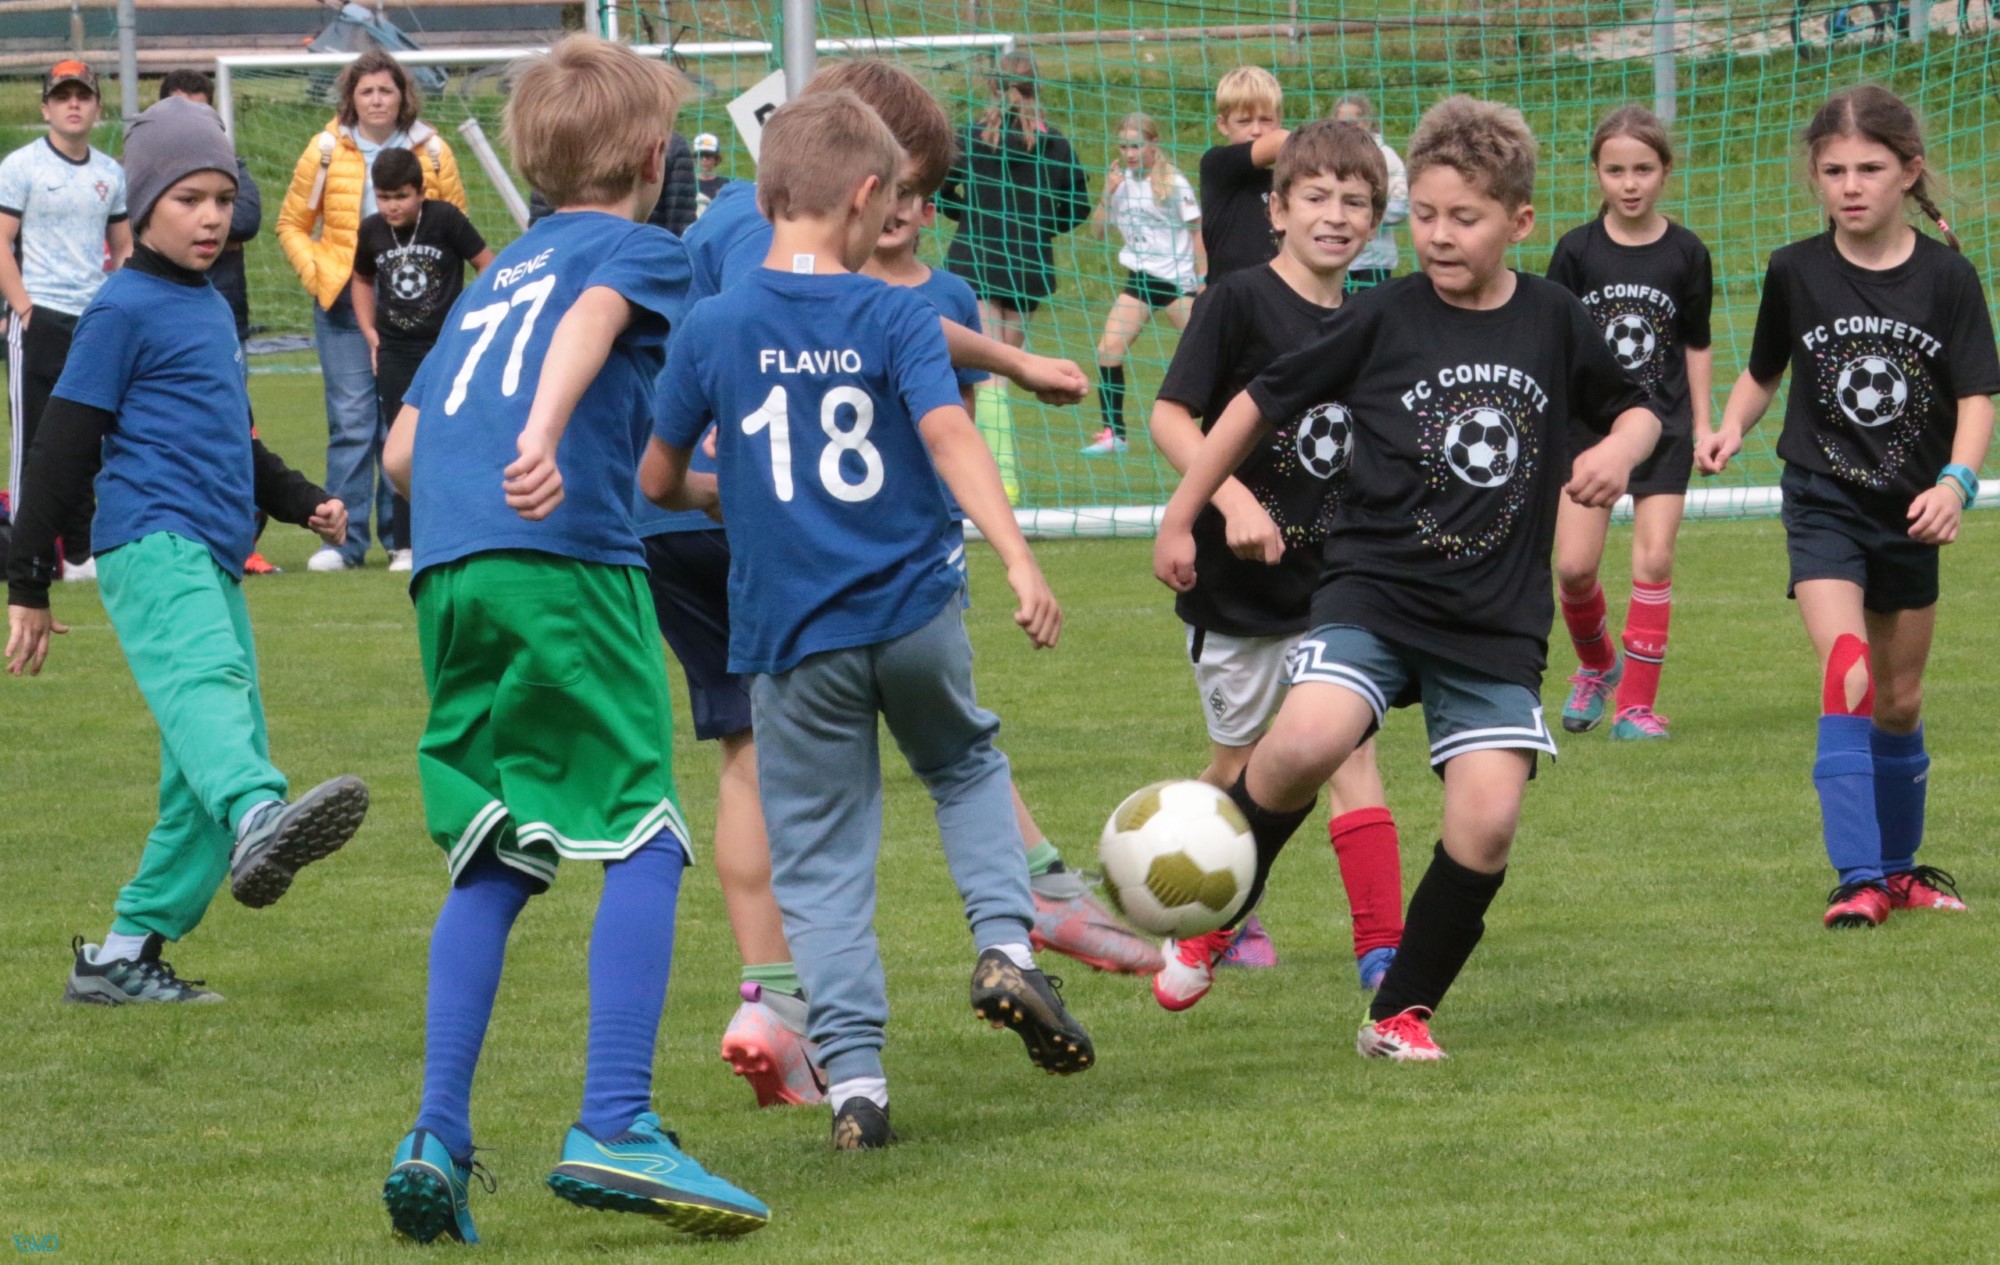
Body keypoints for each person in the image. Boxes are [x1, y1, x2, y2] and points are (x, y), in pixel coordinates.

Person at [650, 58, 1147, 1114]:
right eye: (904, 192)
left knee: (813, 838)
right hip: (905, 596)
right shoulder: (900, 313)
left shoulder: (720, 309)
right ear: (869, 192)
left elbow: (655, 473)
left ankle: (848, 1073)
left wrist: (712, 489)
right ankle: (1009, 935)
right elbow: (948, 430)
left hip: (785, 614)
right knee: (963, 766)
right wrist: (1017, 555)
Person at [1154, 96, 1662, 1061]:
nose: (1438, 235)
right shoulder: (1382, 313)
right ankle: (1217, 913)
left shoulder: (1553, 318)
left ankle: (1399, 1012)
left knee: (1489, 818)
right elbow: (1257, 403)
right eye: (1423, 215)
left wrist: (1620, 450)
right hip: (1375, 587)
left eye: (1463, 217)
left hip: (1494, 618)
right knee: (1309, 735)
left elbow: (1637, 407)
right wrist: (1187, 511)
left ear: (1519, 221)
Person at [376, 36, 767, 1243]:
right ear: (655, 158)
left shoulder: (493, 279)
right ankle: (614, 1119)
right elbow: (597, 319)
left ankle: (435, 1133)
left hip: (449, 572)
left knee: (496, 849)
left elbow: (401, 449)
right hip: (564, 566)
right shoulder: (639, 251)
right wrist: (545, 435)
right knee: (644, 832)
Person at [4, 97, 368, 1004]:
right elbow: (59, 444)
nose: (210, 218)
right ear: (144, 206)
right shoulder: (121, 307)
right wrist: (29, 579)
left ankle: (122, 956)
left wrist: (302, 501)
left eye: (222, 199)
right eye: (188, 200)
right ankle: (259, 812)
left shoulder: (206, 307)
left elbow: (232, 441)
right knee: (215, 700)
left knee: (203, 767)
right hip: (151, 541)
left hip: (207, 548)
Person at [1698, 85, 1996, 930]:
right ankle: (1857, 878)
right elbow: (1764, 370)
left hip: (1911, 511)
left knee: (1899, 699)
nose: (1851, 186)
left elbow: (1977, 398)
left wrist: (1955, 484)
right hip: (1822, 498)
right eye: (1834, 171)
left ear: (1909, 172)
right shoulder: (1796, 269)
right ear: (1815, 178)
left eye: (1869, 168)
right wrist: (1729, 426)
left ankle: (1899, 871)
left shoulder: (1948, 278)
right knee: (1848, 669)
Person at [1147, 120, 1406, 1009]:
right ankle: (1194, 892)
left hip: (1337, 588)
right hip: (1240, 595)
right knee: (1239, 771)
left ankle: (1384, 955)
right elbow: (1170, 417)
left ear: (1376, 220)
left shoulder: (1375, 319)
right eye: (1317, 197)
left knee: (1351, 759)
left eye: (1356, 202)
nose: (1336, 216)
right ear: (1278, 210)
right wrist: (1230, 502)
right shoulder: (1238, 301)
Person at [1550, 107, 1713, 741]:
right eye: (1615, 170)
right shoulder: (1576, 251)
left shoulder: (1686, 252)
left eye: (1643, 169)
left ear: (1665, 171)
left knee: (1654, 559)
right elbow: (1553, 344)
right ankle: (1597, 666)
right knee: (1573, 568)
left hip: (1665, 426)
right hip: (1590, 431)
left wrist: (1703, 425)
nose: (1630, 183)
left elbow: (1696, 344)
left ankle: (1635, 709)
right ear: (1597, 173)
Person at [277, 48, 466, 573]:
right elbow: (291, 223)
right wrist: (321, 273)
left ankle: (404, 540)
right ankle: (343, 541)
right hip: (345, 302)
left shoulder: (433, 151)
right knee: (352, 422)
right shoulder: (324, 149)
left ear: (403, 96)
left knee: (404, 421)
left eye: (386, 90)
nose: (377, 100)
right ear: (351, 98)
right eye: (367, 91)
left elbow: (456, 227)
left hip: (418, 309)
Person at [938, 51, 1092, 503]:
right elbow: (1078, 208)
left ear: (991, 87)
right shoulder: (1055, 144)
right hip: (1027, 265)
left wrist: (967, 215)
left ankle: (997, 477)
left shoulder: (969, 137)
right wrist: (1041, 225)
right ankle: (997, 475)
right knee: (1000, 368)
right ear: (1036, 89)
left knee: (990, 375)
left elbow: (940, 190)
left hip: (977, 261)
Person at [0, 59, 132, 583]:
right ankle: (24, 553)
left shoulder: (110, 174)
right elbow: (1, 241)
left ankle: (79, 553)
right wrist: (24, 308)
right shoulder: (21, 166)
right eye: (62, 96)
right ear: (45, 108)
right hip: (38, 318)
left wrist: (115, 304)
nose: (73, 104)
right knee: (34, 441)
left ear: (98, 107)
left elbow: (124, 247)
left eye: (83, 95)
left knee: (87, 438)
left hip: (93, 322)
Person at [351, 147, 493, 572]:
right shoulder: (371, 230)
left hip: (445, 347)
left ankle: (466, 529)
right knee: (400, 442)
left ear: (421, 192)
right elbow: (361, 279)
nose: (392, 206)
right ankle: (405, 544)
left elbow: (487, 264)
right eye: (384, 197)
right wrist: (370, 332)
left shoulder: (445, 219)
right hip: (396, 352)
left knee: (454, 434)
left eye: (401, 196)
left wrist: (471, 321)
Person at [158, 68, 277, 576]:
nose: (210, 217)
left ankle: (238, 540)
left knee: (233, 432)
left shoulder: (232, 165)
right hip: (165, 326)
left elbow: (247, 220)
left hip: (225, 319)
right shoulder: (144, 173)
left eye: (203, 111)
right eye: (188, 202)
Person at [1082, 112, 1203, 457]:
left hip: (1177, 282)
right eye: (1123, 146)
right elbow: (1097, 231)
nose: (1129, 153)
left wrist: (1203, 279)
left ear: (1153, 144)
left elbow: (1198, 232)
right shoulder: (1121, 184)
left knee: (1208, 353)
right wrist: (1108, 192)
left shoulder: (1173, 183)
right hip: (1140, 281)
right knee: (1108, 350)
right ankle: (1114, 434)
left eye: (1136, 146)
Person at [1198, 66, 1287, 283]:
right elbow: (1281, 141)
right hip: (1228, 293)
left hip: (1274, 289)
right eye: (1244, 121)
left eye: (1266, 120)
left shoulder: (1284, 178)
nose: (1256, 130)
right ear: (1223, 124)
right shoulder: (1216, 164)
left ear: (1279, 119)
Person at [1332, 94, 1408, 289]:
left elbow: (1402, 204)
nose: (1347, 129)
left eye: (1352, 123)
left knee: (1374, 304)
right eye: (1341, 124)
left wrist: (1368, 217)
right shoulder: (1330, 157)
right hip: (1340, 255)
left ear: (1366, 123)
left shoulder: (1385, 156)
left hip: (1376, 260)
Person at [694, 130, 729, 206]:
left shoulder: (725, 184)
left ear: (716, 159)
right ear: (695, 159)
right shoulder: (690, 183)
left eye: (708, 156)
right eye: (700, 155)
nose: (704, 160)